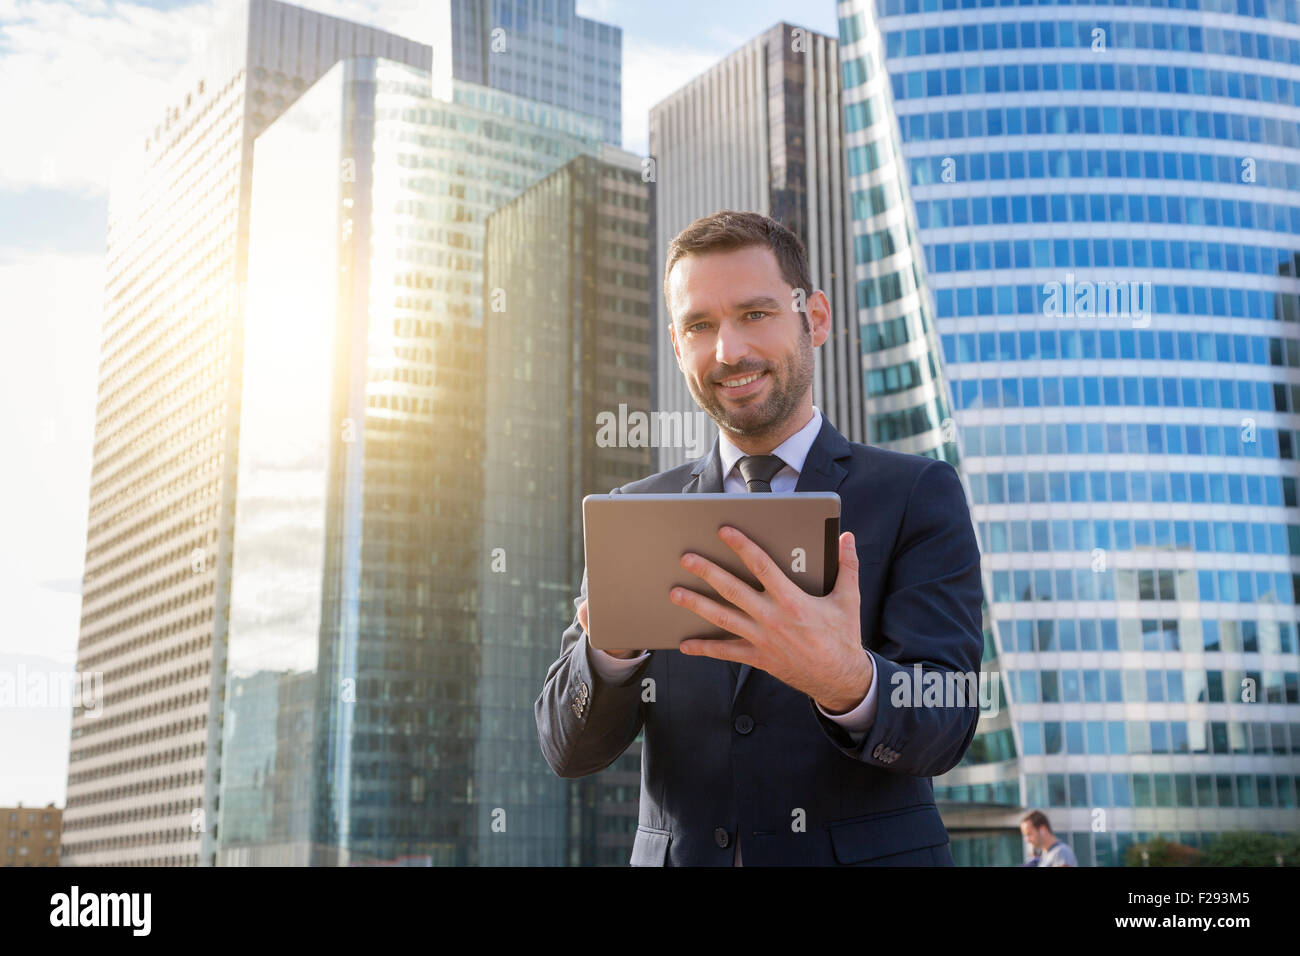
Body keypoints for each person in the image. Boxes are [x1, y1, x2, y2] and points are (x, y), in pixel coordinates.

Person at [534, 210, 985, 866]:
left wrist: (848, 682)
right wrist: (609, 655)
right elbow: (567, 751)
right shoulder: (635, 513)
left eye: (755, 314)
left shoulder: (917, 495)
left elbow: (945, 725)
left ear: (815, 318)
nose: (729, 352)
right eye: (699, 326)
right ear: (677, 342)